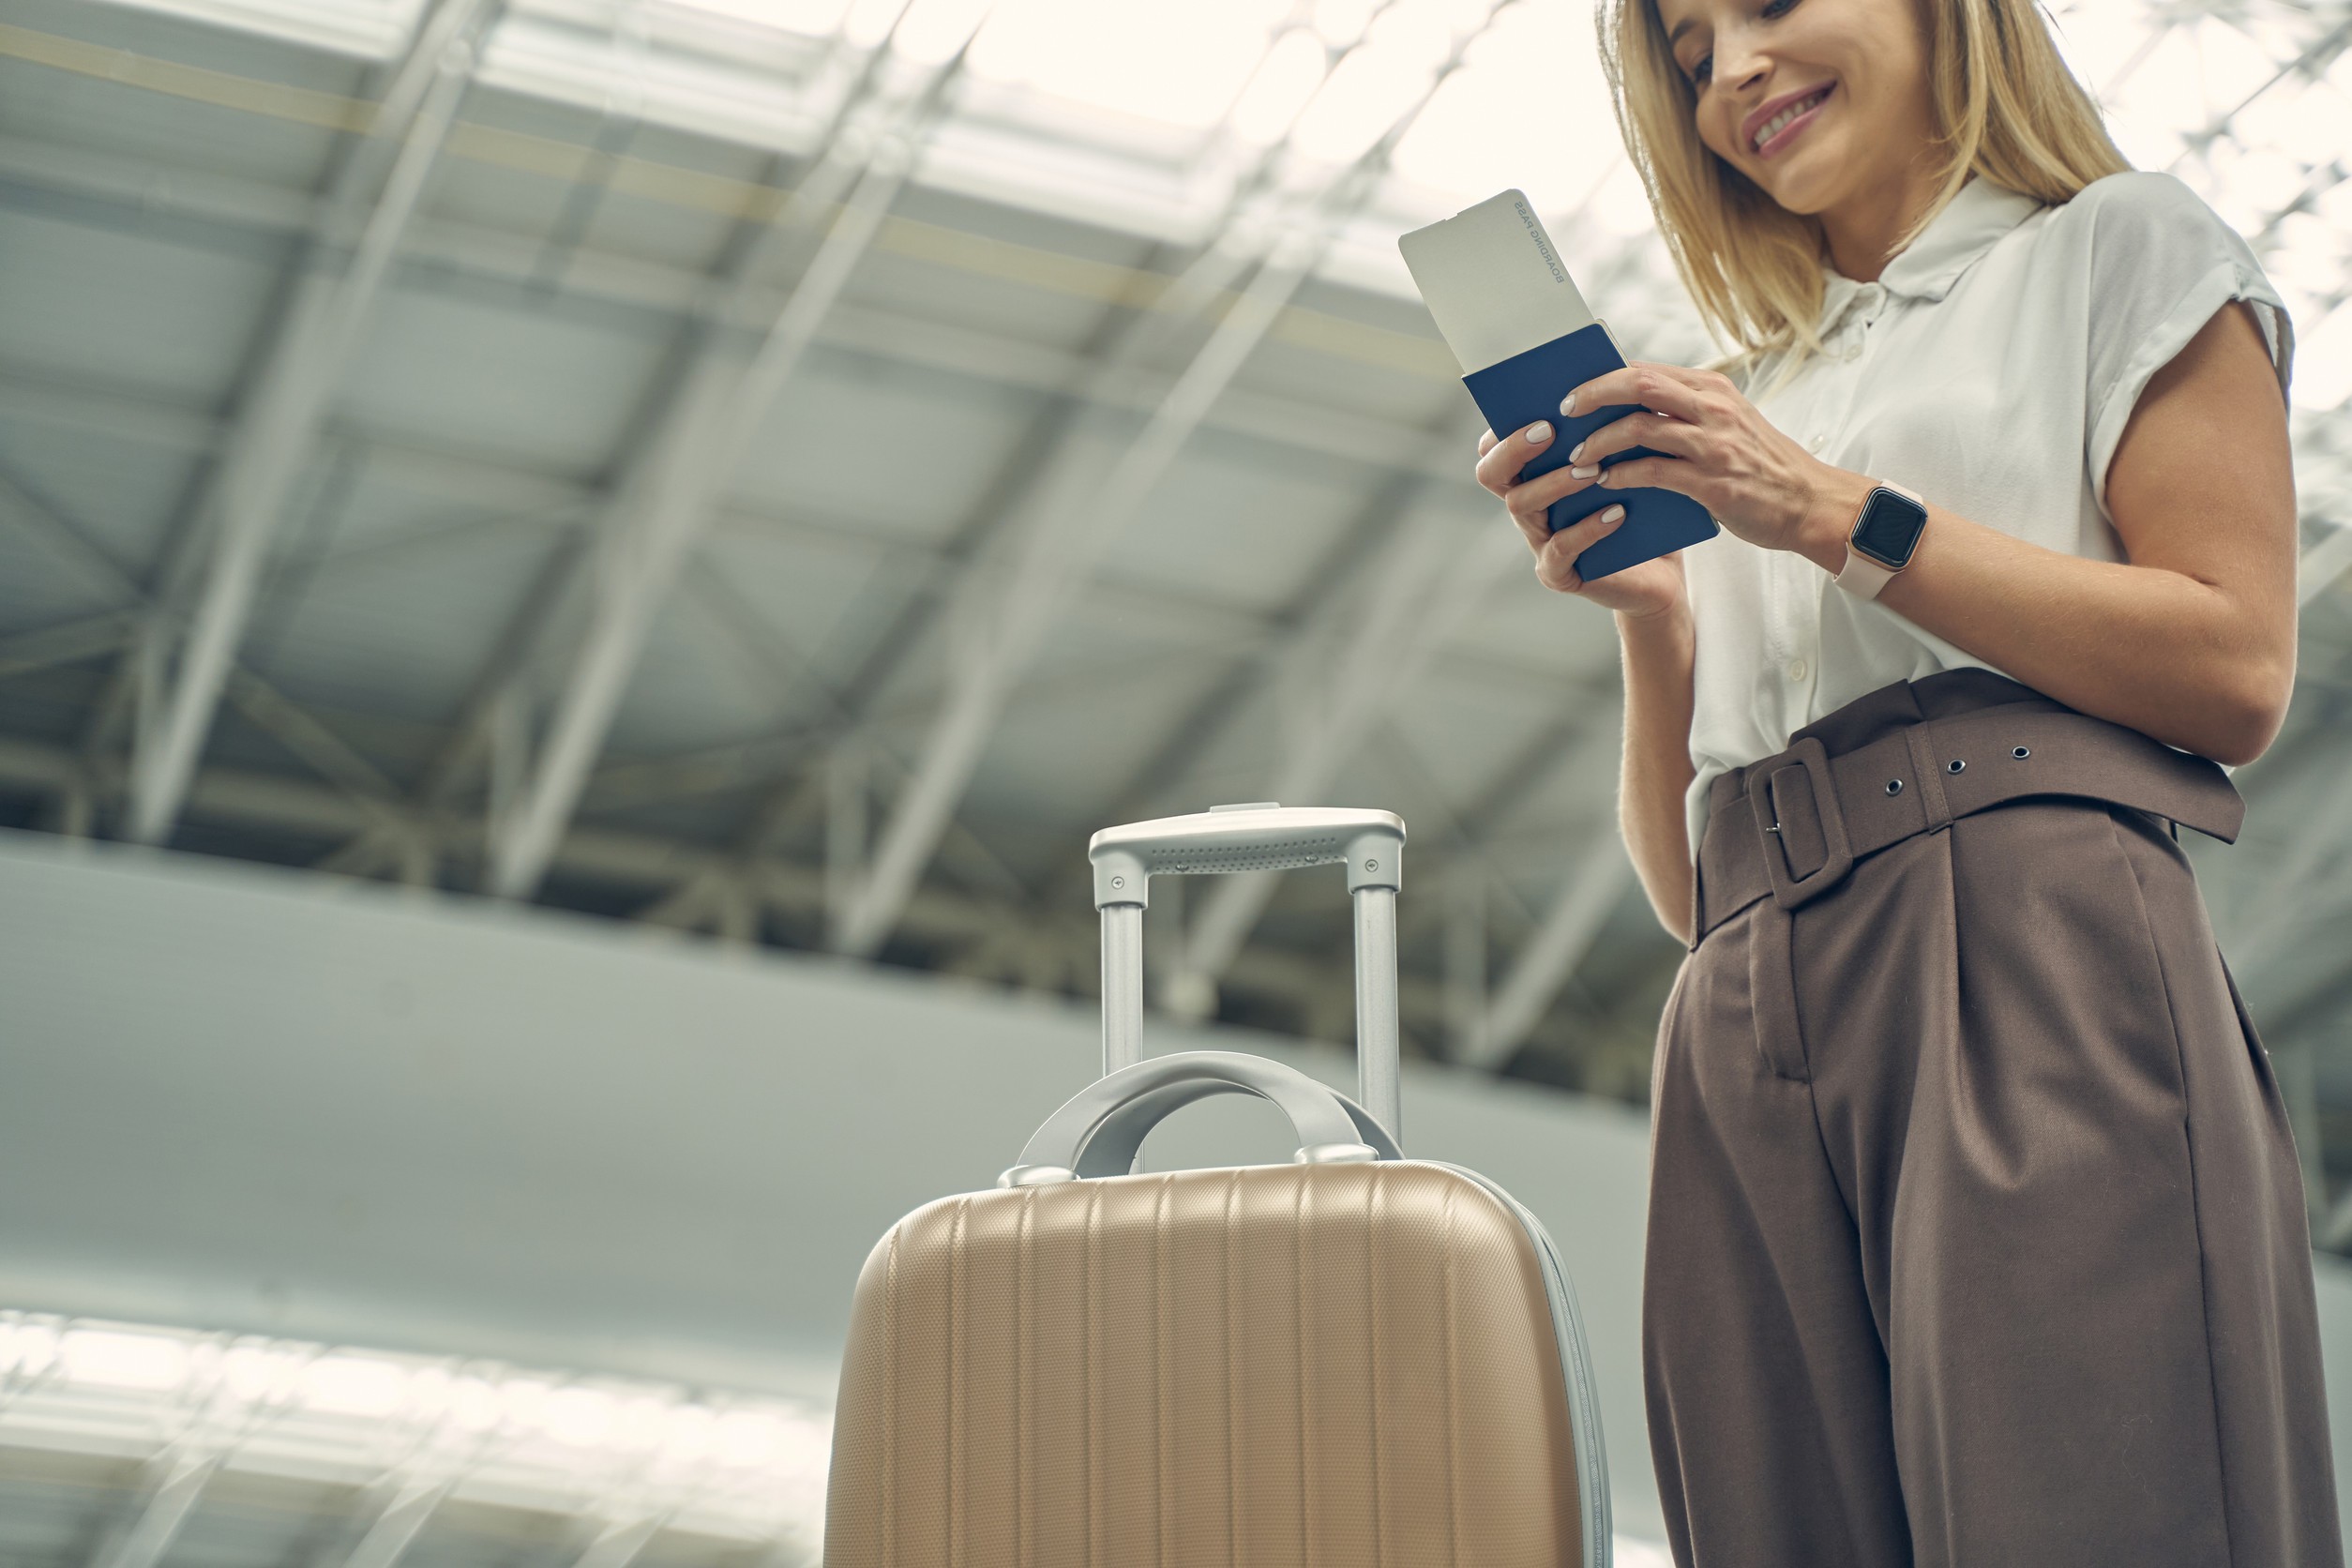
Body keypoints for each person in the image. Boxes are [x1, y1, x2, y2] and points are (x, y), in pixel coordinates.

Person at [1470, 0, 2341, 1562]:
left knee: (2093, 1507)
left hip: (2025, 949)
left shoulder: (2118, 247)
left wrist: (1827, 512)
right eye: (1691, 53)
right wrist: (1657, 622)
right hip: (1740, 1016)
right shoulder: (1752, 396)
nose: (1733, 73)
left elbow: (2234, 664)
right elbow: (1690, 893)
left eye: (1768, 6)